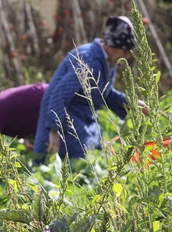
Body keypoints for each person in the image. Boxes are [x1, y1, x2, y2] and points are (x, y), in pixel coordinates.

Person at [33, 16, 146, 161]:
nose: (125, 56)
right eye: (124, 52)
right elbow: (60, 94)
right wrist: (54, 131)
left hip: (83, 117)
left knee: (92, 155)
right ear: (113, 47)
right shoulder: (89, 60)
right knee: (72, 163)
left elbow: (102, 92)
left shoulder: (106, 60)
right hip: (66, 117)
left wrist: (130, 103)